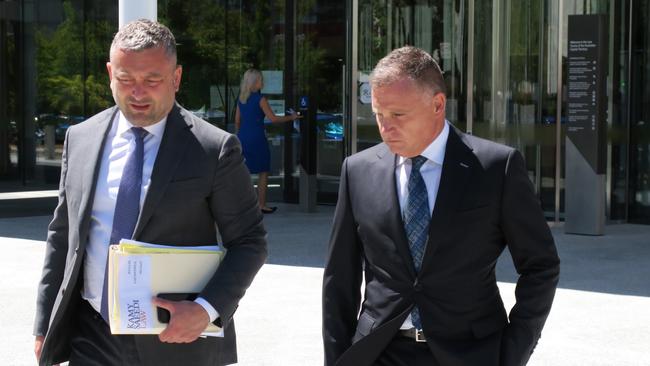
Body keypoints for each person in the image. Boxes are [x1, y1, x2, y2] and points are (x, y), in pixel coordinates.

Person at [33, 19, 267, 366]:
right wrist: (44, 325)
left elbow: (249, 241)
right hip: (91, 334)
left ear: (176, 78)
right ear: (110, 72)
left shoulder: (213, 149)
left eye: (152, 80)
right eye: (125, 79)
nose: (138, 93)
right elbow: (63, 235)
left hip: (175, 339)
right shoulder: (80, 139)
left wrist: (205, 310)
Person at [322, 46, 560, 366]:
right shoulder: (358, 170)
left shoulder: (495, 168)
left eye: (398, 115)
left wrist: (512, 352)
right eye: (379, 114)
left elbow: (541, 265)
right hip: (379, 352)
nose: (385, 127)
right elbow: (340, 279)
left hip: (471, 353)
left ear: (437, 105)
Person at [235, 68, 300, 214]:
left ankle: (242, 204)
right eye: (260, 79)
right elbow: (274, 119)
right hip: (257, 137)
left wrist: (241, 134)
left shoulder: (241, 98)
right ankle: (261, 205)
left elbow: (237, 121)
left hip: (243, 136)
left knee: (243, 171)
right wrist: (292, 117)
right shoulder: (261, 99)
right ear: (254, 82)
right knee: (263, 171)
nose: (262, 82)